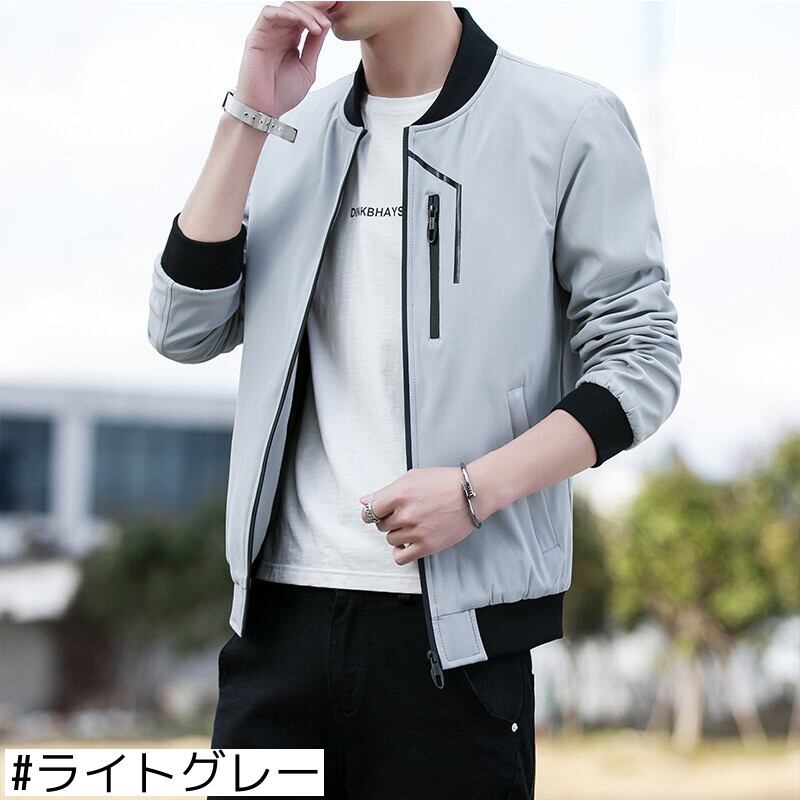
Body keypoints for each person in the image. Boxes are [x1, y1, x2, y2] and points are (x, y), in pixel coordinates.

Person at [147, 2, 682, 797]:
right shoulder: (292, 129)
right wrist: (250, 114)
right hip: (276, 636)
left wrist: (475, 489)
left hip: (455, 653)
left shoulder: (567, 122)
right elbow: (184, 329)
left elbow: (642, 359)